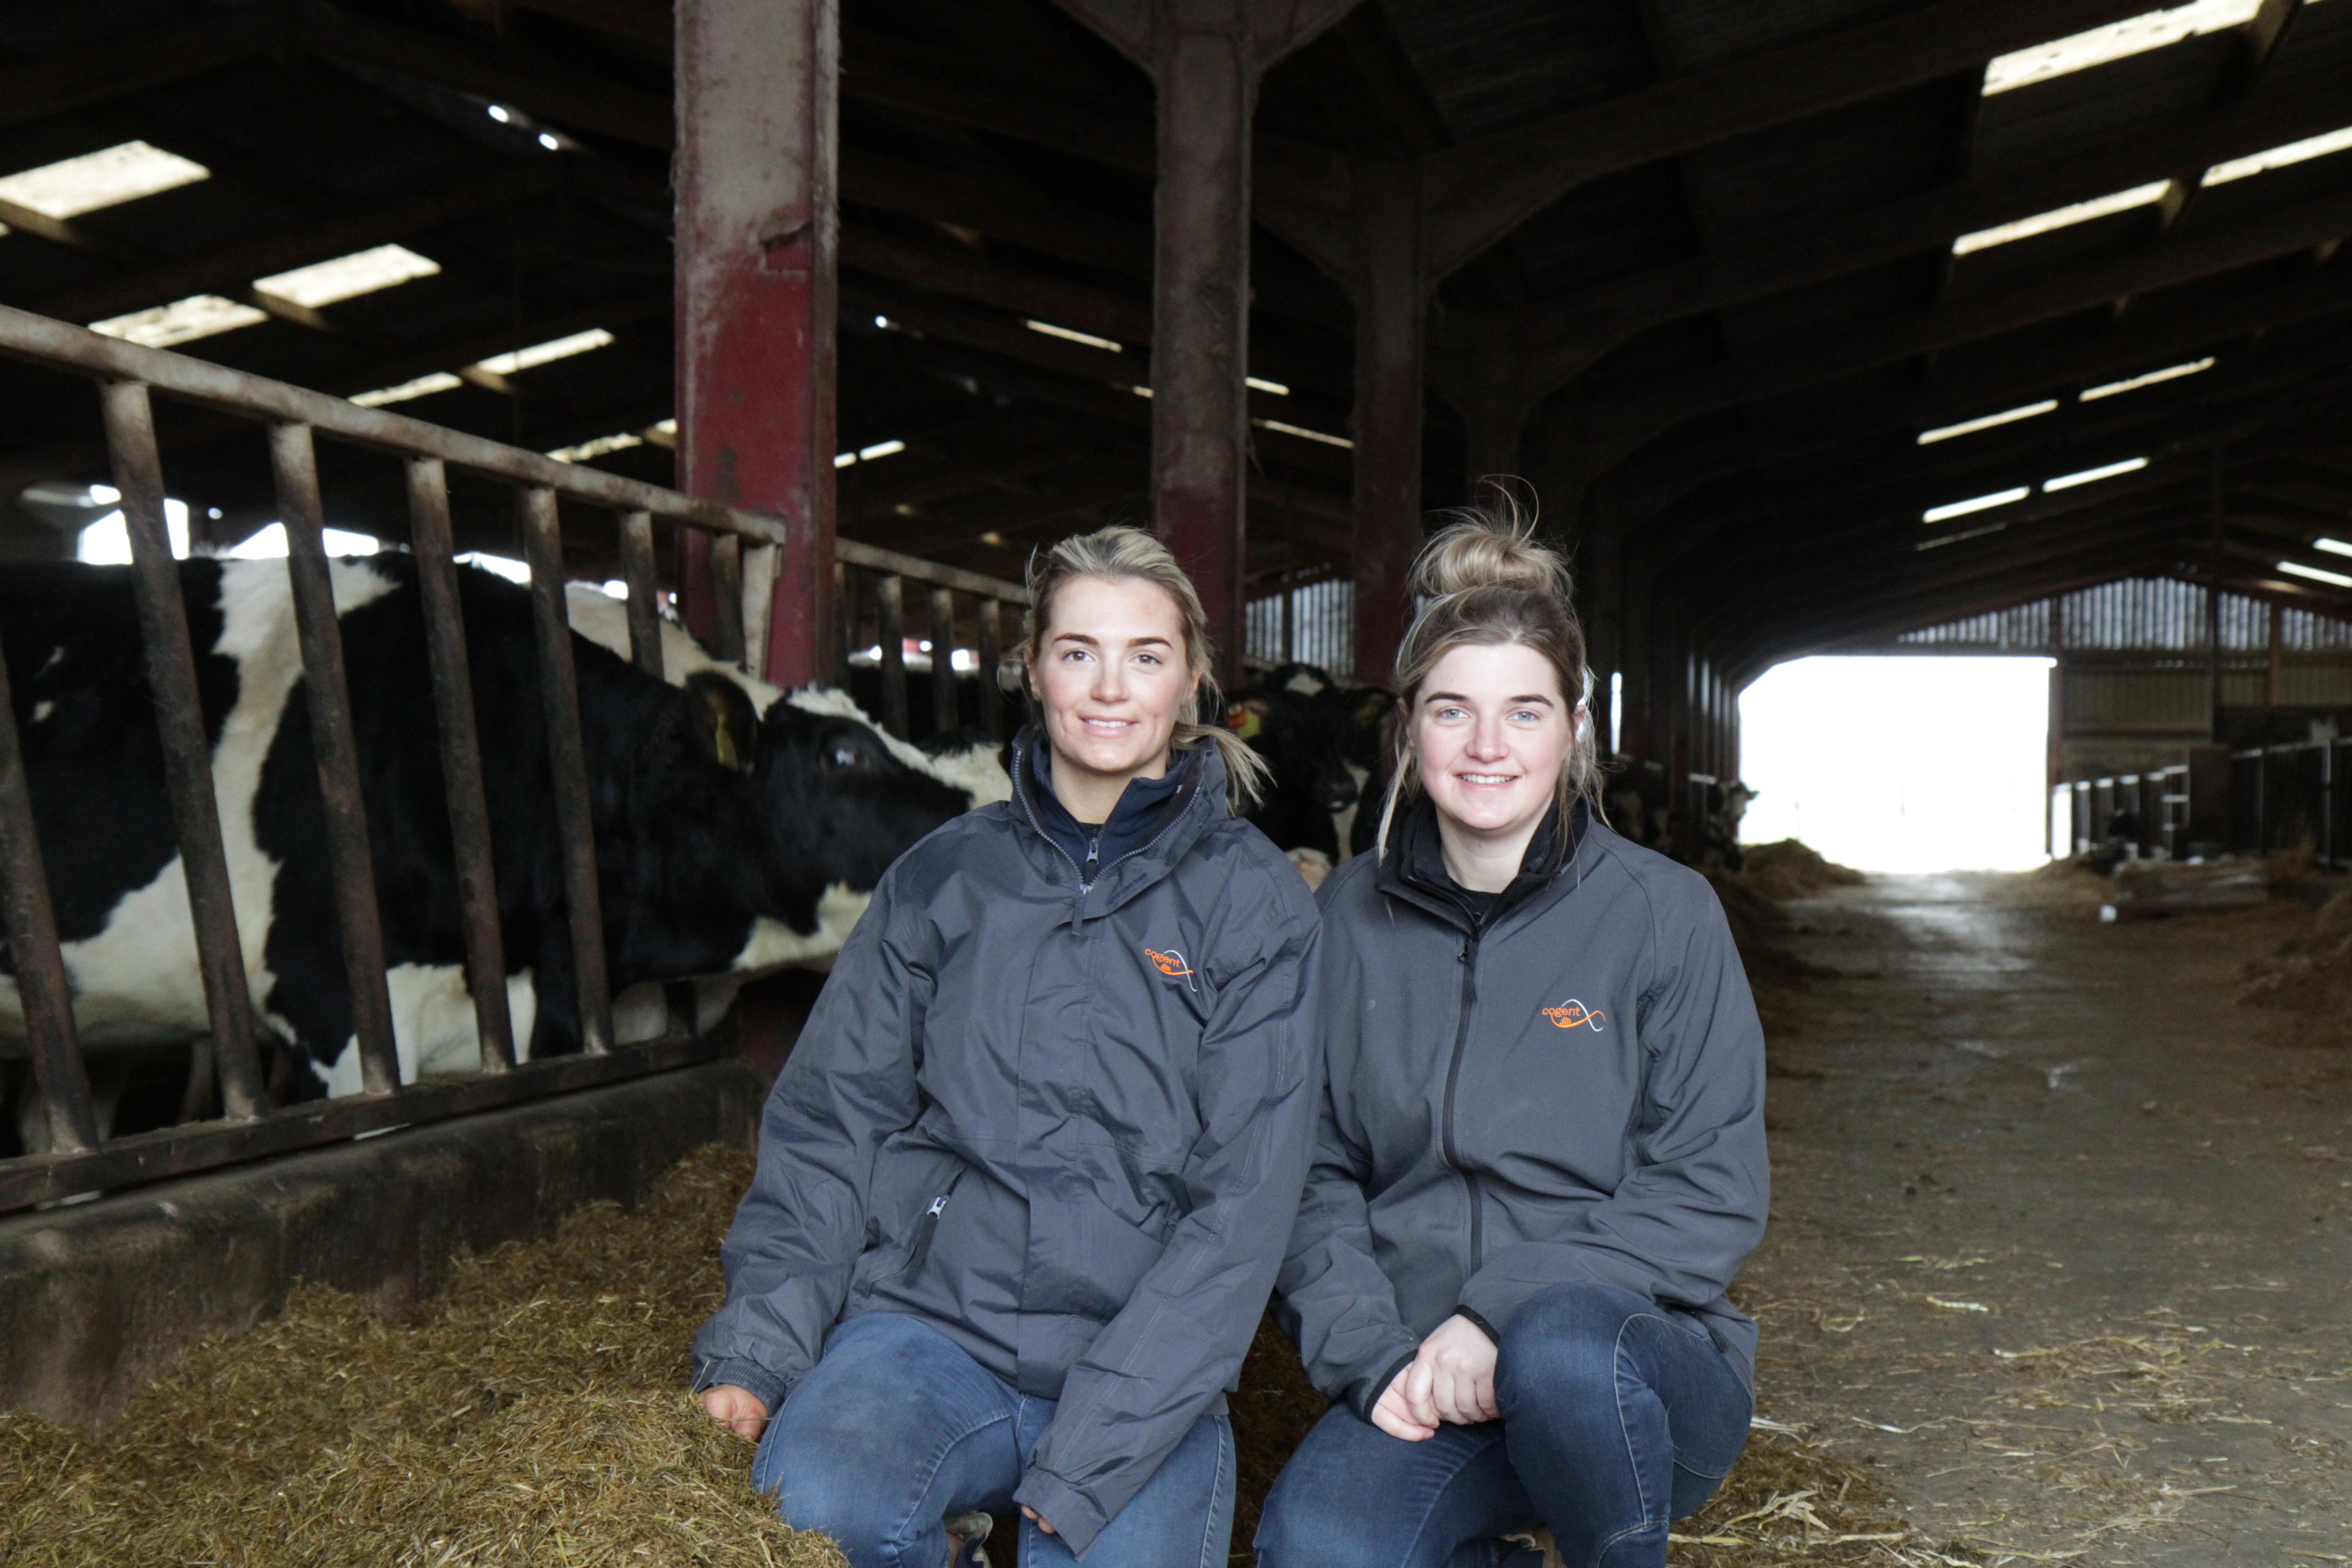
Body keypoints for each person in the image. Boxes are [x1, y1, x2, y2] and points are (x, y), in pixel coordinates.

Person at [691, 526, 1323, 1568]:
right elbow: (831, 1126)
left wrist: (1087, 1463)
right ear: (1030, 669)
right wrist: (758, 1351)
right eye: (1078, 652)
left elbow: (1246, 1210)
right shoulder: (941, 881)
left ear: (1195, 678)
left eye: (1146, 656)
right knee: (812, 1506)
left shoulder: (1255, 906)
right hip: (932, 1331)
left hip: (1146, 1366)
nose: (1110, 688)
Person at [1258, 512, 1768, 1568]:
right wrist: (1373, 1356)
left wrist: (1498, 1315)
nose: (1488, 748)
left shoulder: (1663, 914)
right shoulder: (1342, 921)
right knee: (1315, 1548)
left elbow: (1709, 1188)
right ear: (1407, 730)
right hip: (1428, 1375)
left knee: (1566, 1346)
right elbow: (1305, 1171)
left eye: (1524, 713)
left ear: (1573, 729)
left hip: (1631, 1383)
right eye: (1454, 712)